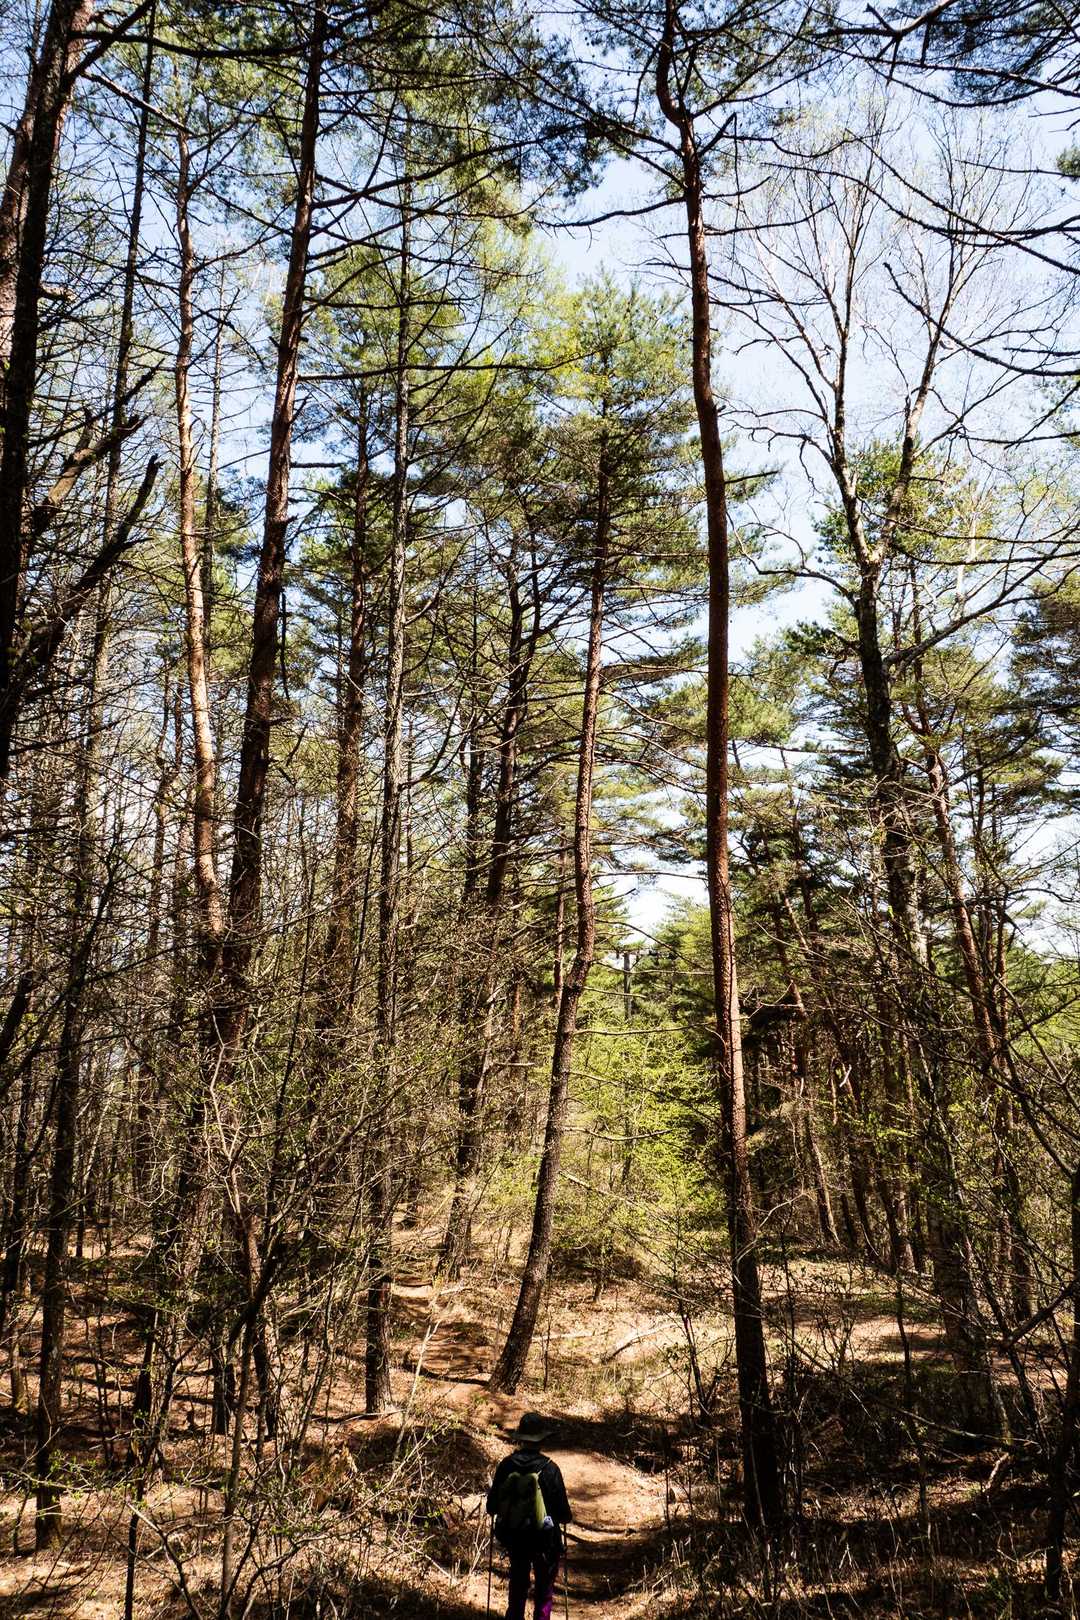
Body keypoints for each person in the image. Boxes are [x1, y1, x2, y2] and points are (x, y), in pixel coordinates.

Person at [486, 1412, 572, 1620]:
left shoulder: (507, 1465)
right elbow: (564, 1515)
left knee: (518, 1585)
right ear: (541, 1439)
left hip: (515, 1538)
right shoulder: (550, 1469)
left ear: (521, 1438)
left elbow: (492, 1506)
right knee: (544, 1591)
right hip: (545, 1540)